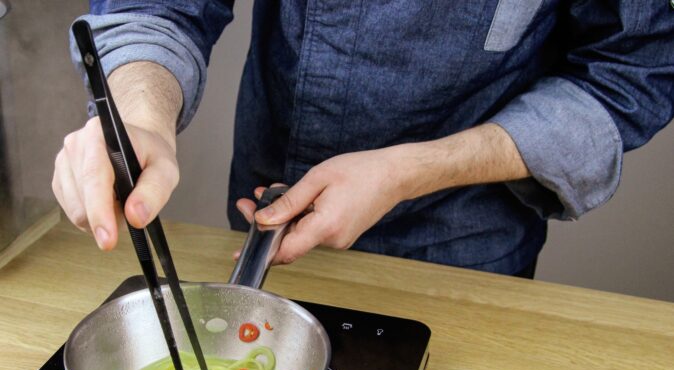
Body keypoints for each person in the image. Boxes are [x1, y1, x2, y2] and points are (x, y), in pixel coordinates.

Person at [53, 1, 674, 278]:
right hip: (269, 224)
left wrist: (409, 172)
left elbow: (633, 72)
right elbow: (161, 6)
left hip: (467, 250)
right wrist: (140, 117)